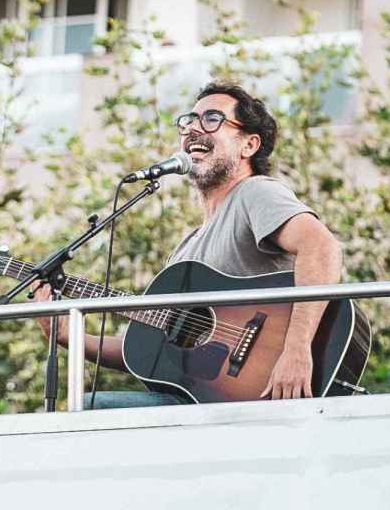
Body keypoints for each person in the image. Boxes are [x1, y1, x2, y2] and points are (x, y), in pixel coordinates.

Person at [35, 81, 343, 407]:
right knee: (91, 405)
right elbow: (151, 355)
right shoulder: (186, 251)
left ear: (249, 145)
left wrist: (297, 350)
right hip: (205, 400)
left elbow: (322, 248)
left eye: (212, 119)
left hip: (263, 391)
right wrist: (68, 335)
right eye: (189, 121)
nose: (194, 128)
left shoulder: (255, 193)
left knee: (92, 407)